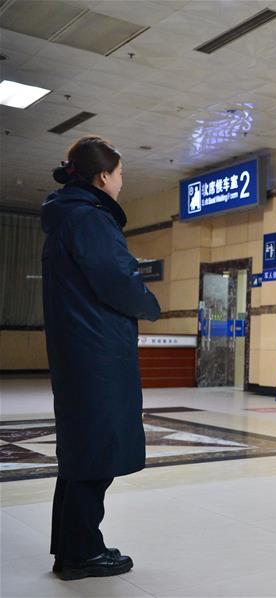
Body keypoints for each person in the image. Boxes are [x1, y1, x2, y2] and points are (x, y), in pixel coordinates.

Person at [41, 136, 160, 580]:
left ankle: (71, 546)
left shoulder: (66, 218)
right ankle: (82, 552)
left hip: (80, 350)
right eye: (121, 174)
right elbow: (117, 280)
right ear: (104, 176)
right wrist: (149, 305)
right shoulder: (89, 220)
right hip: (97, 354)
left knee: (81, 451)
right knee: (96, 452)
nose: (122, 182)